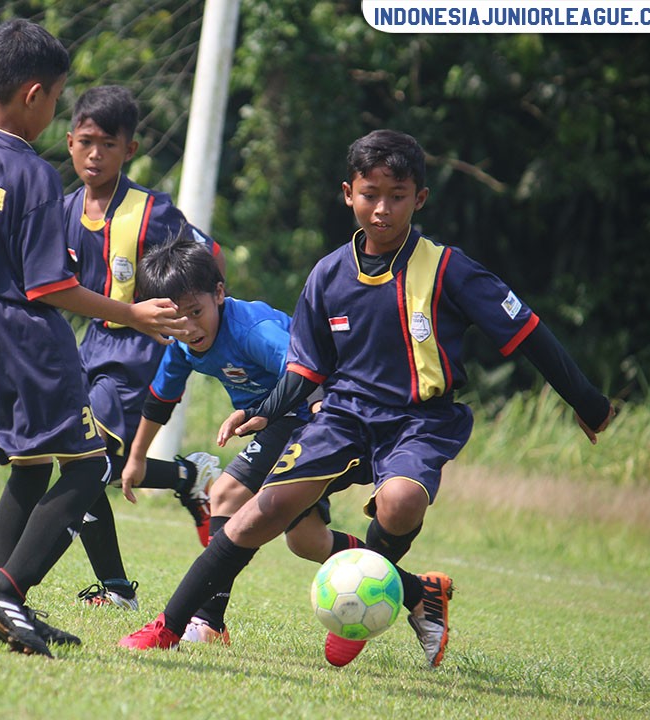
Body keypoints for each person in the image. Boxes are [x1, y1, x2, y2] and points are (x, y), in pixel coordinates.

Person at [120, 129, 617, 669]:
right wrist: (264, 409)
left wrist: (587, 402)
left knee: (401, 502)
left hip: (420, 421)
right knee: (252, 517)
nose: (382, 208)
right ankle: (169, 628)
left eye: (397, 195)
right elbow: (307, 368)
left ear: (419, 199)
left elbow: (528, 333)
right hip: (342, 416)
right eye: (370, 194)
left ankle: (367, 601)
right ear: (348, 193)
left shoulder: (448, 269)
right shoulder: (328, 275)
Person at [0, 18, 186, 658]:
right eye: (55, 101)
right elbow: (50, 288)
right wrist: (134, 315)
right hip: (19, 330)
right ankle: (5, 592)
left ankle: (4, 601)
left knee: (30, 465)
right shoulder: (35, 176)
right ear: (34, 95)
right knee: (87, 466)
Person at [121, 233, 368, 644]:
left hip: (310, 413)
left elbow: (305, 367)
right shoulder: (184, 343)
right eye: (175, 319)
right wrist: (137, 458)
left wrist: (324, 408)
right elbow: (162, 396)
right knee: (307, 541)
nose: (187, 326)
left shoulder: (254, 329)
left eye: (195, 312)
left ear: (219, 293)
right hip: (278, 421)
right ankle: (415, 587)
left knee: (226, 493)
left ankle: (208, 622)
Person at [60, 85, 224, 611]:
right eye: (86, 141)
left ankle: (115, 588)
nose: (95, 154)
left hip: (137, 356)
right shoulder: (64, 210)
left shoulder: (152, 212)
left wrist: (188, 319)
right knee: (82, 464)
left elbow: (208, 257)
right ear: (69, 142)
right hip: (90, 350)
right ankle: (185, 477)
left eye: (108, 144)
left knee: (88, 463)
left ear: (129, 150)